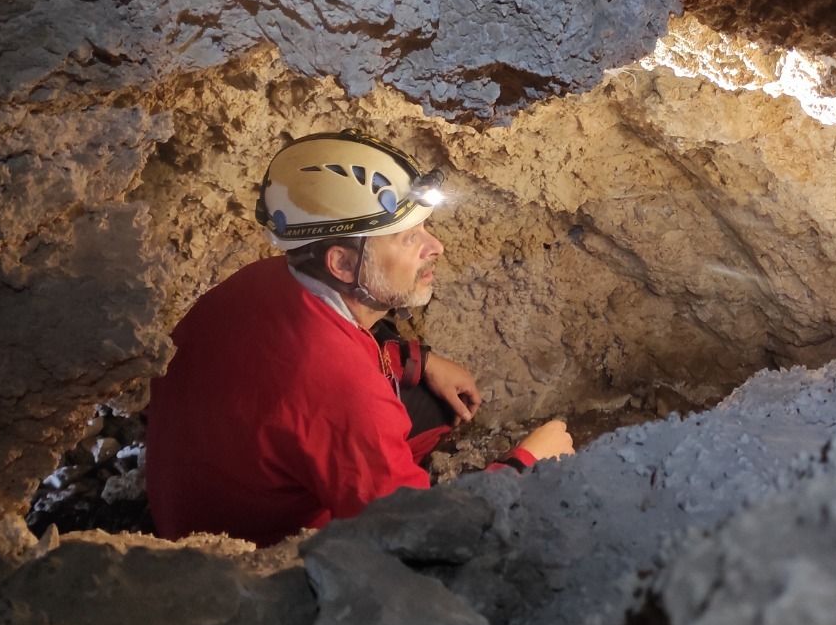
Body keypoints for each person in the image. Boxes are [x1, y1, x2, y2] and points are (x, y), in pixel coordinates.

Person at [144, 130, 573, 545]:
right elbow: (419, 533)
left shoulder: (265, 279)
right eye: (409, 238)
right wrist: (527, 464)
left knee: (428, 402)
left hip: (198, 495)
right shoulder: (340, 386)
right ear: (343, 265)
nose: (436, 246)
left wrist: (417, 360)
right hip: (256, 556)